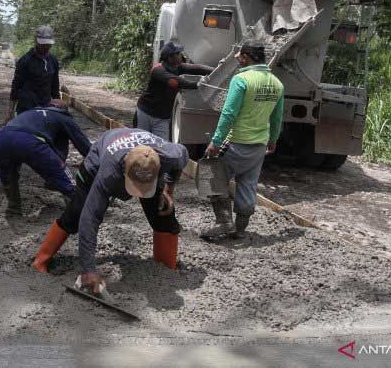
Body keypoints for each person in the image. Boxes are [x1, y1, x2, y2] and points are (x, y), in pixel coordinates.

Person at [32, 128, 189, 294]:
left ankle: (164, 270)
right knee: (76, 214)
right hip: (99, 161)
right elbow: (90, 217)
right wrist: (89, 270)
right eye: (135, 186)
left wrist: (168, 189)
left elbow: (183, 155)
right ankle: (41, 260)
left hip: (142, 159)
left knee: (163, 213)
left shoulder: (171, 155)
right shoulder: (109, 173)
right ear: (124, 173)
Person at [201, 42, 284, 240]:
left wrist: (216, 141)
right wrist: (273, 139)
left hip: (236, 142)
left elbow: (229, 114)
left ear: (247, 57)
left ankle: (223, 222)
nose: (237, 58)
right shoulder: (277, 84)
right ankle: (239, 229)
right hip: (259, 146)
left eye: (239, 55)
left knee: (212, 177)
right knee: (248, 183)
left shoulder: (241, 80)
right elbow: (277, 117)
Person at [0, 104, 92, 216]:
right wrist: (98, 162)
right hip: (29, 141)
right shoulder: (63, 116)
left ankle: (14, 208)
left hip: (1, 139)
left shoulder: (33, 112)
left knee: (9, 176)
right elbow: (83, 144)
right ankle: (81, 209)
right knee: (64, 176)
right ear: (64, 111)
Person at [136, 42, 213, 139]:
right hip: (145, 113)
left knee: (162, 147)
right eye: (178, 53)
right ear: (170, 58)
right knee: (141, 143)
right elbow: (177, 82)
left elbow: (197, 68)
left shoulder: (177, 67)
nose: (181, 55)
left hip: (162, 117)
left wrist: (217, 69)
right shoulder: (158, 70)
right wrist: (197, 84)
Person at [7, 25, 64, 121]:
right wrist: (10, 111)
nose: (46, 47)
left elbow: (55, 85)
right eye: (43, 44)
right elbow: (16, 86)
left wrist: (58, 107)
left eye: (48, 44)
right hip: (27, 108)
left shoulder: (53, 61)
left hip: (46, 107)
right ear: (36, 41)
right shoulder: (25, 60)